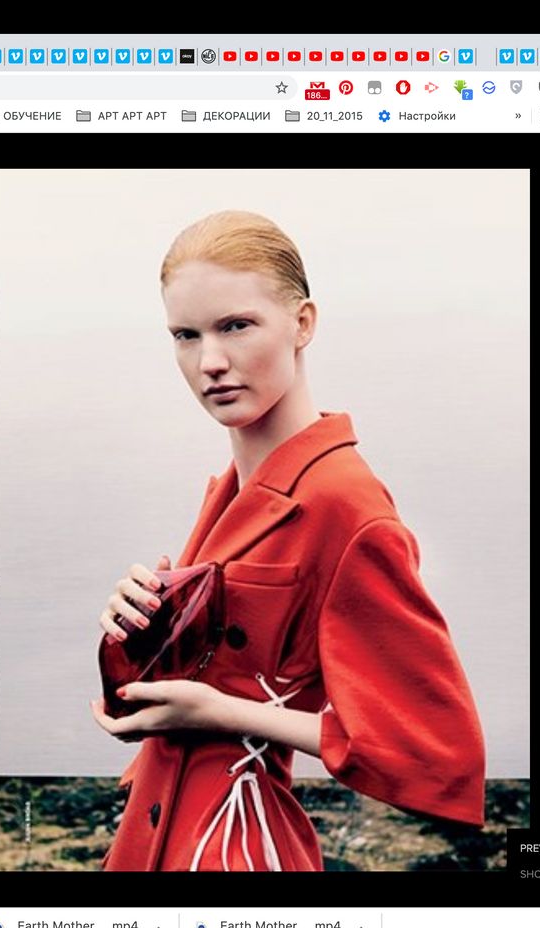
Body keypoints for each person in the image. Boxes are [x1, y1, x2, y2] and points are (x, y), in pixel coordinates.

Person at [92, 211, 486, 871]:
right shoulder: (230, 489)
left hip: (236, 848)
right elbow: (151, 705)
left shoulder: (346, 505)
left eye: (236, 326)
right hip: (154, 839)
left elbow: (439, 752)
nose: (209, 361)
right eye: (185, 335)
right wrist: (131, 630)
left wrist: (217, 711)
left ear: (302, 323)